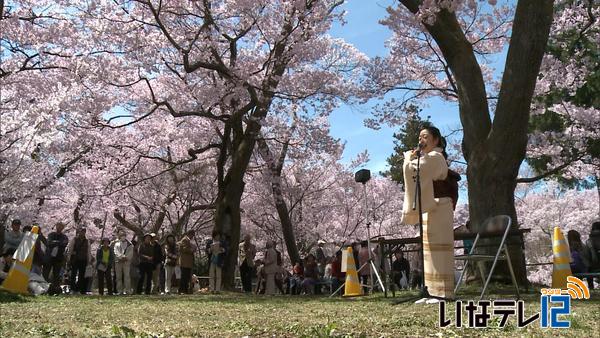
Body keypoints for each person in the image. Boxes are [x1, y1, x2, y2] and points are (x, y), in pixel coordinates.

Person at [401, 125, 456, 302]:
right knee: (430, 251)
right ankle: (431, 290)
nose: (421, 141)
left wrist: (409, 158)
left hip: (441, 207)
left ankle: (443, 292)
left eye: (425, 137)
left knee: (439, 250)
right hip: (432, 207)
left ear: (436, 140)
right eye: (420, 137)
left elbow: (417, 168)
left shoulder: (436, 157)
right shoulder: (428, 157)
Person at [44, 222, 69, 294]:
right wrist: (58, 243)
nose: (59, 228)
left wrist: (55, 243)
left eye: (61, 227)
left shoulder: (64, 237)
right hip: (49, 257)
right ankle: (44, 287)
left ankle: (56, 289)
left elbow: (64, 243)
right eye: (58, 226)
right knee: (46, 273)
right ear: (56, 226)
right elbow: (49, 243)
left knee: (56, 274)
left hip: (59, 258)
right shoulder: (51, 234)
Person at [67, 227, 91, 294]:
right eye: (81, 231)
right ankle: (72, 288)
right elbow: (70, 249)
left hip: (83, 260)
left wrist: (89, 260)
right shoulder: (74, 239)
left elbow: (88, 251)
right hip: (75, 259)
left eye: (83, 231)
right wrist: (69, 259)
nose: (82, 233)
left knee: (82, 275)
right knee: (73, 274)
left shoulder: (87, 241)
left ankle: (78, 288)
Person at [113, 230, 133, 295]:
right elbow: (115, 252)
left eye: (124, 235)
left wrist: (126, 258)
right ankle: (119, 291)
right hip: (118, 262)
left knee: (127, 276)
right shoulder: (116, 244)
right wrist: (120, 257)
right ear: (119, 236)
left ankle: (128, 290)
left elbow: (131, 253)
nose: (123, 236)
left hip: (126, 262)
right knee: (118, 277)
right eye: (121, 235)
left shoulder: (130, 244)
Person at [178, 230, 195, 294]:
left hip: (188, 262)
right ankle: (181, 290)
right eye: (192, 235)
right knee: (184, 276)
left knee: (187, 276)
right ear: (189, 234)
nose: (193, 236)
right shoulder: (185, 240)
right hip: (185, 261)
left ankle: (185, 290)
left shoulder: (188, 240)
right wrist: (192, 250)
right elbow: (184, 249)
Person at [586, 221, 600, 289]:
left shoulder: (589, 240)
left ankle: (591, 287)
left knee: (588, 268)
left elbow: (588, 256)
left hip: (594, 266)